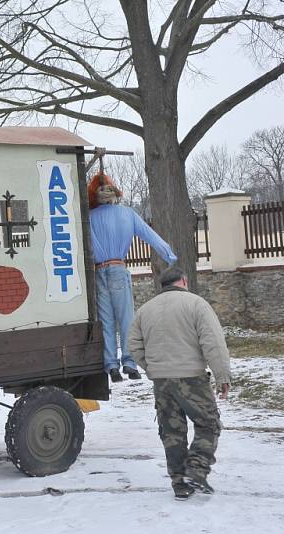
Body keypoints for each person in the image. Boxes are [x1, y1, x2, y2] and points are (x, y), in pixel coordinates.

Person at [128, 267, 230, 500]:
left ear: (162, 285)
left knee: (172, 431)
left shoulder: (145, 310)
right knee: (209, 423)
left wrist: (152, 367)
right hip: (191, 377)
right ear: (184, 281)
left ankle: (179, 483)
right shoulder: (196, 304)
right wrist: (222, 376)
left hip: (161, 381)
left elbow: (133, 345)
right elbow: (212, 342)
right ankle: (196, 469)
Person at [88, 173, 177, 382]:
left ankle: (111, 365)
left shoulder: (90, 217)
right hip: (118, 268)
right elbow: (149, 235)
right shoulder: (128, 214)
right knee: (126, 318)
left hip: (98, 270)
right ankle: (129, 363)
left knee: (107, 321)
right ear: (115, 194)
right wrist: (169, 255)